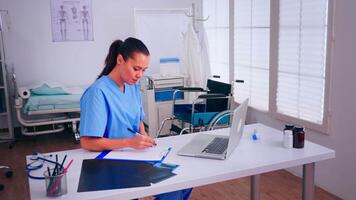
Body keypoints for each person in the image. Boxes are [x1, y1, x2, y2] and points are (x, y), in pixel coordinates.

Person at [79, 37, 192, 200]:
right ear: (120, 60)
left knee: (183, 181)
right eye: (136, 68)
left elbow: (138, 120)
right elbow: (87, 142)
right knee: (172, 193)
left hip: (135, 156)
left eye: (144, 70)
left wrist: (143, 134)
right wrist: (129, 142)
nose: (140, 75)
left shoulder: (132, 85)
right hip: (109, 162)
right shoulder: (97, 93)